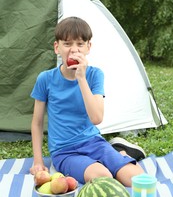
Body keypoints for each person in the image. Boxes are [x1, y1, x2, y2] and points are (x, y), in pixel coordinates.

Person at [30, 16, 144, 187]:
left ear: (88, 47)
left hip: (94, 143)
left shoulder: (94, 75)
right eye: (67, 44)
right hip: (65, 151)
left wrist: (81, 78)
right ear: (57, 47)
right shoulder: (45, 79)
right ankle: (118, 153)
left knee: (136, 179)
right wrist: (38, 161)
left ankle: (119, 154)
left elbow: (97, 118)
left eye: (80, 44)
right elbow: (37, 123)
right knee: (103, 177)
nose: (74, 50)